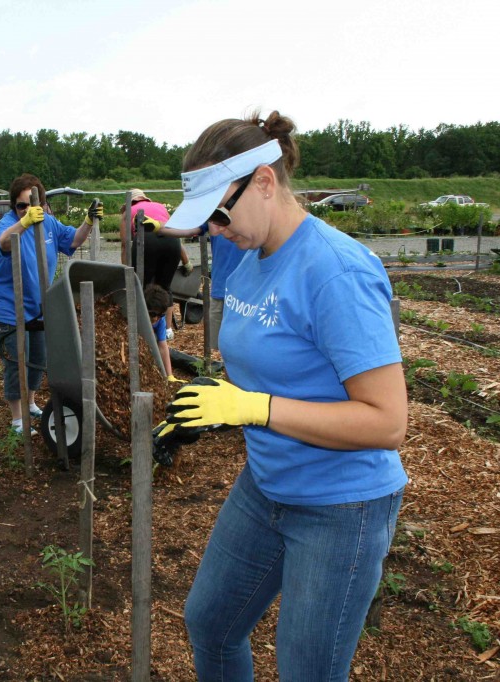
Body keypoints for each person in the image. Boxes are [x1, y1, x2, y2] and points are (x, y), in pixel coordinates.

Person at [157, 111, 407, 681]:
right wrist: (218, 399)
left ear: (264, 183)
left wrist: (254, 408)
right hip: (266, 485)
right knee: (211, 625)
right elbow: (269, 365)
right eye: (207, 221)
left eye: (220, 214)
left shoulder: (335, 272)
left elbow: (388, 422)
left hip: (341, 506)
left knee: (306, 670)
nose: (215, 230)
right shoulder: (247, 257)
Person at [0, 174, 101, 435]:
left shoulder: (49, 223)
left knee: (38, 357)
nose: (26, 210)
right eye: (21, 205)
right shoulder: (9, 223)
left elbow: (73, 241)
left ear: (43, 204)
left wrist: (88, 221)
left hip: (37, 305)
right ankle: (17, 418)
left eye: (31, 204)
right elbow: (3, 241)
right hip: (7, 306)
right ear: (14, 207)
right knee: (17, 360)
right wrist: (24, 222)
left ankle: (31, 402)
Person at [149, 221, 246, 351]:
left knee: (243, 344)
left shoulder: (250, 212)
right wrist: (159, 228)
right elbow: (188, 230)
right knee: (222, 346)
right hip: (220, 290)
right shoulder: (213, 215)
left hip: (246, 292)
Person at [121, 189, 184, 336]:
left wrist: (126, 270)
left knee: (143, 286)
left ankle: (144, 327)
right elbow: (173, 231)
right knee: (165, 286)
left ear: (129, 202)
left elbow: (125, 244)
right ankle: (167, 330)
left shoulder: (127, 212)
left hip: (147, 239)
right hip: (172, 241)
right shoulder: (160, 206)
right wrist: (186, 261)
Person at [144, 283, 174, 377]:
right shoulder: (138, 316)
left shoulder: (160, 321)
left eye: (160, 315)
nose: (156, 318)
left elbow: (163, 346)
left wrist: (169, 376)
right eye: (153, 314)